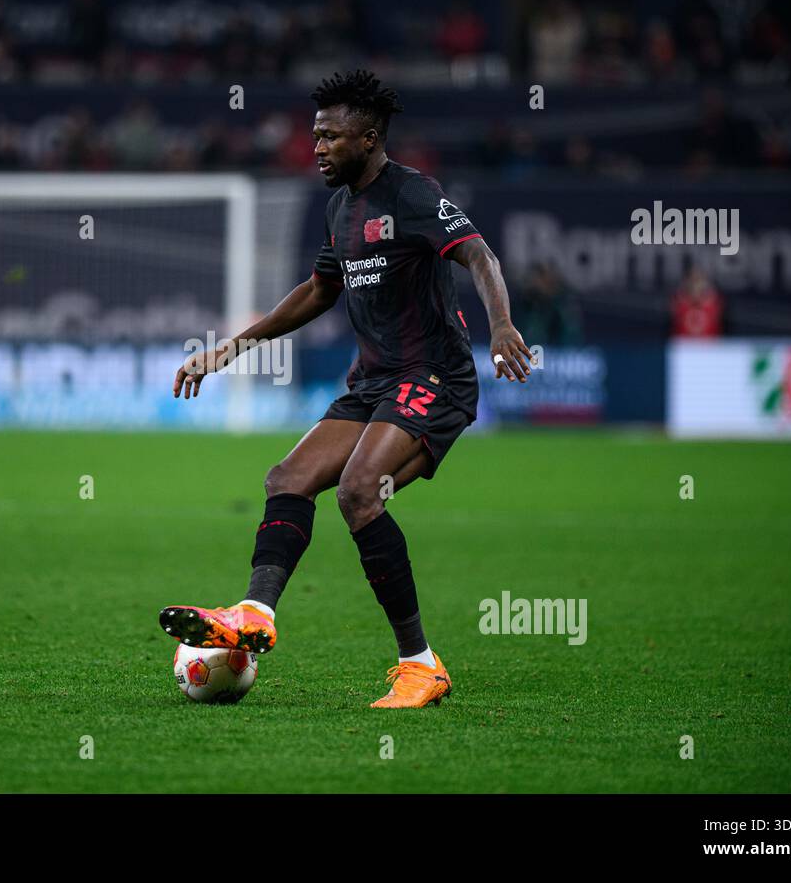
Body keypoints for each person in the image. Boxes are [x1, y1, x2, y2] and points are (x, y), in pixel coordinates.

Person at [161, 70, 531, 708]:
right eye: (316, 135)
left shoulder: (414, 194)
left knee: (361, 492)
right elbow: (318, 292)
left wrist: (499, 325)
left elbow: (480, 256)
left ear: (370, 138)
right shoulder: (340, 208)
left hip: (435, 378)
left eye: (332, 137)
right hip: (373, 382)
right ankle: (256, 615)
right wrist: (230, 348)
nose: (319, 147)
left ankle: (421, 665)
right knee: (287, 479)